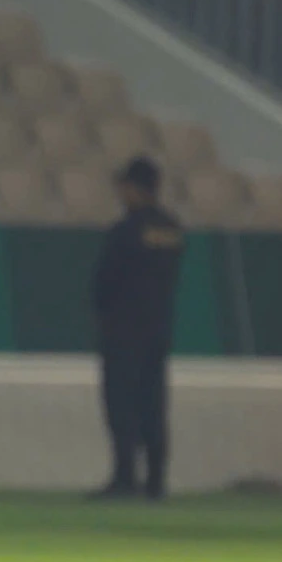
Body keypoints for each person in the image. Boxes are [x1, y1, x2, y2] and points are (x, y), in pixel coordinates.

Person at [91, 155, 185, 500]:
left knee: (122, 405)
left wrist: (101, 312)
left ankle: (125, 476)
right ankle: (156, 480)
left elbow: (105, 281)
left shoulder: (125, 231)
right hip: (158, 327)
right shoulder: (172, 230)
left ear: (134, 188)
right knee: (153, 404)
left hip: (124, 329)